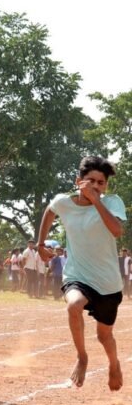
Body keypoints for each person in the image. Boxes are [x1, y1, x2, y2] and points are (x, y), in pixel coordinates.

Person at [36, 155, 125, 391]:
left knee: (104, 336)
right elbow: (49, 211)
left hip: (108, 283)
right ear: (79, 181)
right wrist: (41, 244)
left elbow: (117, 231)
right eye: (90, 181)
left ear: (106, 186)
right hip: (77, 275)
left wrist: (97, 202)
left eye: (101, 183)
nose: (95, 186)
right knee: (73, 305)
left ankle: (114, 364)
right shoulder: (64, 202)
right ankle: (82, 357)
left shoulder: (112, 202)